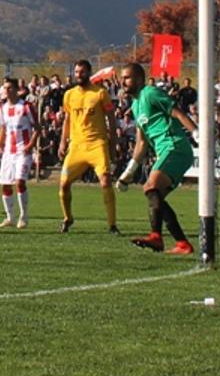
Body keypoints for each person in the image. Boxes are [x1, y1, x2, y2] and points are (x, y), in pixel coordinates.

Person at [116, 62, 198, 255]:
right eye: (122, 78)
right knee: (154, 195)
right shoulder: (135, 105)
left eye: (127, 78)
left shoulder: (151, 93)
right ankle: (182, 244)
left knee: (151, 186)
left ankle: (156, 237)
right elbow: (141, 143)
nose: (122, 82)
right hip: (167, 151)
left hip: (175, 146)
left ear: (138, 79)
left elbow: (177, 112)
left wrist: (197, 134)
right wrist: (127, 173)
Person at [58, 60, 120, 234]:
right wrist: (63, 142)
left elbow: (111, 119)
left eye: (82, 72)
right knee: (63, 184)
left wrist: (113, 144)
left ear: (89, 73)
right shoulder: (69, 95)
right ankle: (68, 218)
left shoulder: (100, 93)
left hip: (97, 145)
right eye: (77, 72)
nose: (79, 75)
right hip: (76, 146)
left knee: (106, 181)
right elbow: (67, 119)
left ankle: (112, 225)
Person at [0, 78, 36, 229]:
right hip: (8, 151)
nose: (7, 90)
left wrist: (30, 145)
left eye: (10, 88)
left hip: (23, 151)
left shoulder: (26, 106)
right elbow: (3, 129)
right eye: (5, 88)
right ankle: (10, 218)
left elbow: (37, 128)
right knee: (5, 184)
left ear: (17, 90)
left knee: (19, 182)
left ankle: (23, 217)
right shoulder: (3, 108)